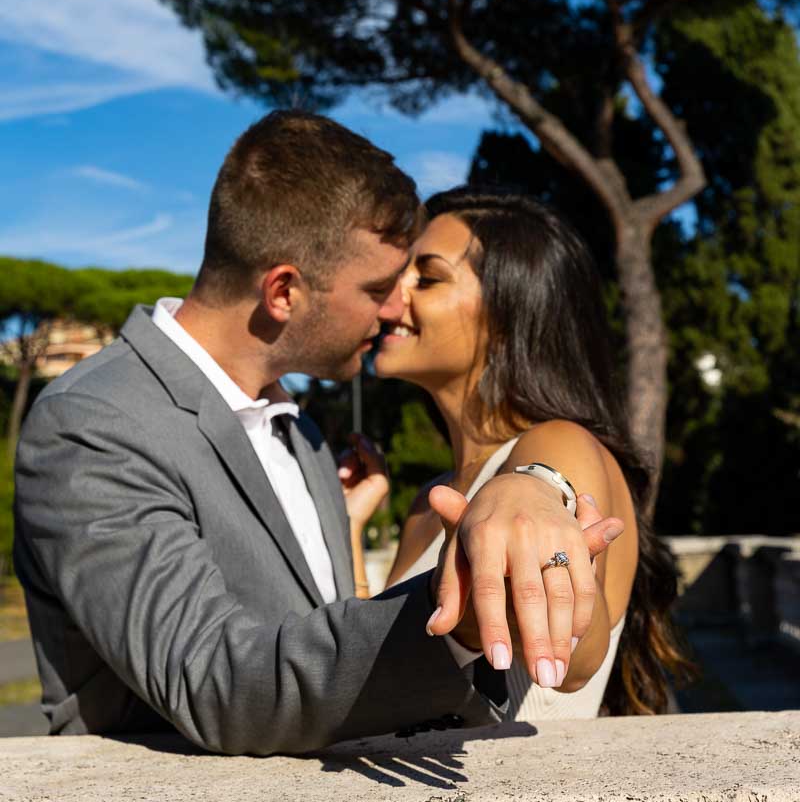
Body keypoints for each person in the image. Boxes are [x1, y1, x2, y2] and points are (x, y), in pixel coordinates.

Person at [14, 113, 623, 756]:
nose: (395, 309)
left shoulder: (302, 433)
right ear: (283, 291)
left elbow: (323, 644)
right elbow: (217, 683)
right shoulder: (93, 424)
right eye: (378, 288)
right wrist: (454, 620)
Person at [353, 188, 687, 717]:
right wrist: (352, 529)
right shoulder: (429, 500)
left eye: (428, 277)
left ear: (510, 309)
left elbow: (578, 654)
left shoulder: (561, 441)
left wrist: (529, 487)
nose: (390, 297)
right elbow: (370, 667)